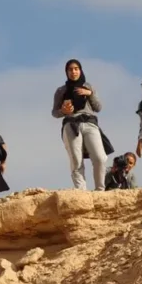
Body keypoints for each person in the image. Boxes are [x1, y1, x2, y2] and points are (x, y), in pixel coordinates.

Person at [52, 59, 111, 191]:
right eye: (70, 69)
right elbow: (54, 112)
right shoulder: (61, 91)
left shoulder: (88, 87)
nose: (73, 72)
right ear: (66, 72)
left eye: (76, 69)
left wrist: (90, 93)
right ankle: (81, 191)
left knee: (100, 157)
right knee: (76, 161)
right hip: (71, 124)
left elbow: (98, 107)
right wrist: (63, 111)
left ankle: (100, 190)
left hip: (90, 123)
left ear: (80, 70)